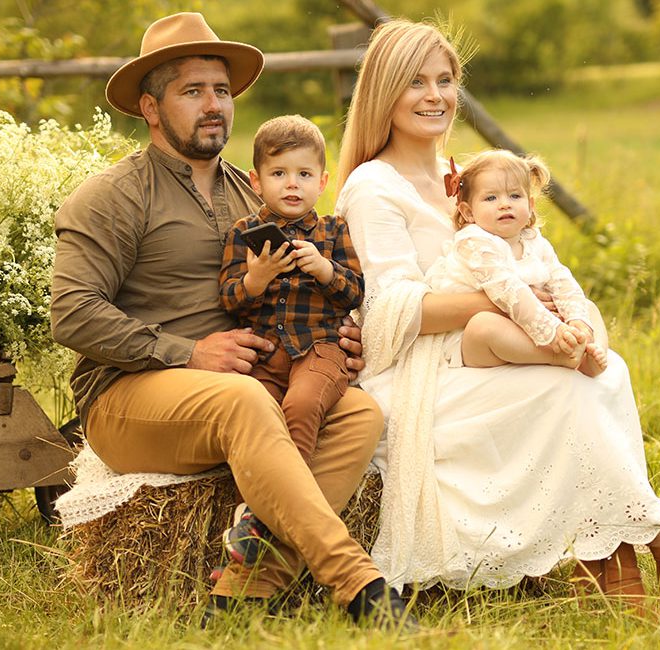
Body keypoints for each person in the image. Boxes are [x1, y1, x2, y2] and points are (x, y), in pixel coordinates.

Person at [334, 18, 660, 616]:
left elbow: (531, 259)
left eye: (446, 80)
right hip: (421, 367)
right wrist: (502, 301)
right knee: (564, 391)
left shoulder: (462, 175)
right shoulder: (373, 185)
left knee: (604, 370)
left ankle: (616, 571)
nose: (435, 96)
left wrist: (560, 311)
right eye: (416, 82)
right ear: (385, 90)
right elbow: (390, 311)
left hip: (494, 343)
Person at [50, 12, 414, 629]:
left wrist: (338, 334)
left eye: (221, 90)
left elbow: (310, 281)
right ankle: (359, 585)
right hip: (131, 395)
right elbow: (72, 312)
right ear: (151, 107)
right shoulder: (112, 196)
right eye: (192, 91)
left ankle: (245, 590)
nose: (213, 104)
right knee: (241, 400)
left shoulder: (256, 193)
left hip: (258, 376)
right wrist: (185, 353)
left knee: (360, 414)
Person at [218, 114, 364, 567]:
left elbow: (356, 291)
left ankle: (262, 520)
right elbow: (229, 298)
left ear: (322, 180)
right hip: (265, 353)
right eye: (279, 174)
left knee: (301, 407)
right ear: (256, 181)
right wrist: (257, 279)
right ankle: (268, 518)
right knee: (256, 419)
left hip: (320, 349)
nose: (292, 184)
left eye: (303, 174)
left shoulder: (334, 232)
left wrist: (324, 269)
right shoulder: (243, 234)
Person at [424, 149, 608, 376]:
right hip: (470, 338)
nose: (504, 204)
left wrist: (577, 323)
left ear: (530, 205)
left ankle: (588, 350)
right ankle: (553, 355)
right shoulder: (473, 242)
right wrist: (553, 331)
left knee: (587, 308)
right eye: (491, 198)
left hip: (529, 322)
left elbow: (561, 280)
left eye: (514, 196)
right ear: (468, 212)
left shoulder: (533, 240)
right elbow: (508, 290)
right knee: (484, 326)